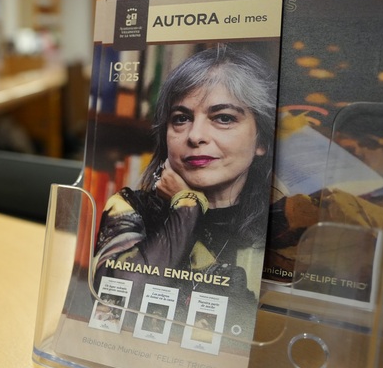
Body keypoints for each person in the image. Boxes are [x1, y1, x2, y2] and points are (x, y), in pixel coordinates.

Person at [91, 45, 278, 328]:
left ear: (261, 140)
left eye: (223, 118)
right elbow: (120, 299)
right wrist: (186, 205)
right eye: (181, 118)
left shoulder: (279, 227)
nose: (195, 135)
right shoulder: (128, 207)